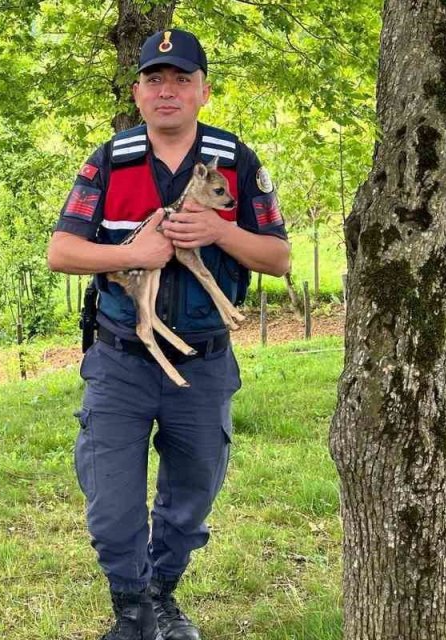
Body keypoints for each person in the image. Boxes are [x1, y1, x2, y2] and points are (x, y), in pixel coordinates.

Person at [46, 28, 291, 640]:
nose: (167, 91)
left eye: (182, 79)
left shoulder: (236, 162)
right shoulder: (109, 160)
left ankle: (161, 595)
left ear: (203, 91)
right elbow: (61, 251)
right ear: (137, 92)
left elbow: (279, 258)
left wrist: (219, 232)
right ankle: (131, 609)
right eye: (154, 80)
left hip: (203, 362)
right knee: (111, 504)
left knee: (192, 497)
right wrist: (134, 252)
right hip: (121, 359)